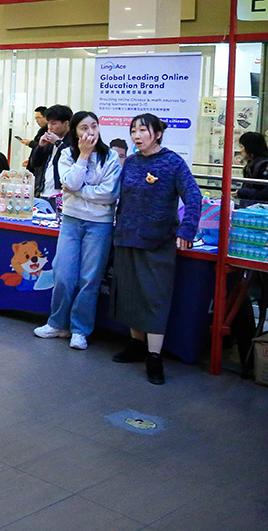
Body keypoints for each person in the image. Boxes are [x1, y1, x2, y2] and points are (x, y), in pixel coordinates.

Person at [110, 113, 201, 385]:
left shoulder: (172, 162)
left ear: (158, 134)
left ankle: (154, 357)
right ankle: (136, 345)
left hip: (157, 241)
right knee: (130, 296)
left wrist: (187, 230)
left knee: (154, 299)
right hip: (126, 237)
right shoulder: (131, 162)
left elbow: (193, 195)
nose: (137, 136)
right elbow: (121, 198)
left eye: (143, 130)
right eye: (133, 131)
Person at [34, 111, 122, 350]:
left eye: (94, 126)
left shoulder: (111, 156)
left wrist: (78, 192)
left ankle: (80, 330)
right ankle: (57, 324)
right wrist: (83, 156)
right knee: (63, 275)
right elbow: (69, 183)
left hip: (100, 224)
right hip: (71, 221)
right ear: (75, 131)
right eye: (84, 128)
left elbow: (109, 194)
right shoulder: (66, 154)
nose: (90, 132)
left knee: (89, 279)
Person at [28, 104, 72, 198]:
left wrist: (58, 143)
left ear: (66, 123)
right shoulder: (49, 139)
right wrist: (40, 146)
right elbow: (35, 163)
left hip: (61, 193)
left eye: (54, 123)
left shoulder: (74, 141)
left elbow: (71, 158)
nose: (50, 127)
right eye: (48, 123)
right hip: (44, 190)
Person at [236, 131, 268, 203]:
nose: (241, 150)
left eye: (242, 147)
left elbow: (265, 193)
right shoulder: (252, 163)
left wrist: (243, 193)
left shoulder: (263, 165)